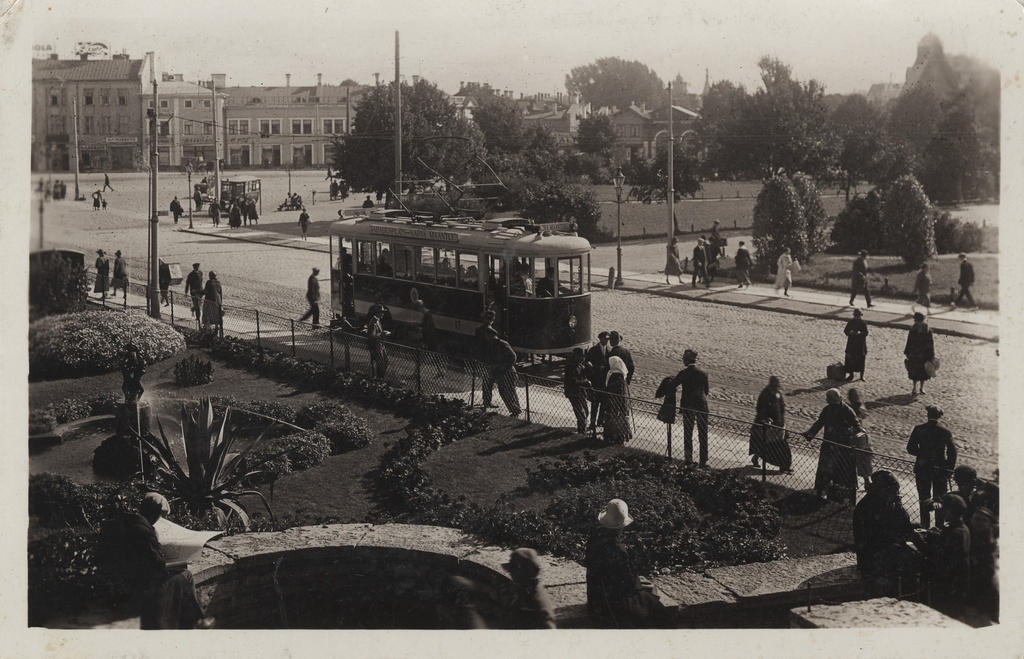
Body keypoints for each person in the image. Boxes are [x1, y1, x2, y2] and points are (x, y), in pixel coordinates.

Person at [97, 493, 212, 629]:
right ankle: (196, 621)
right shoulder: (145, 532)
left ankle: (190, 622)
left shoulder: (116, 523)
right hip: (140, 588)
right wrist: (177, 560)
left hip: (115, 584)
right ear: (157, 514)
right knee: (186, 575)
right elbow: (158, 566)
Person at [585, 499, 667, 628]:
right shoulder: (617, 548)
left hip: (596, 599)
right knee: (657, 609)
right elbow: (627, 584)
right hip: (612, 605)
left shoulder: (595, 538)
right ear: (622, 526)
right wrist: (639, 583)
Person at [852, 471, 920, 597]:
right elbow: (878, 538)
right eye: (894, 491)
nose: (897, 494)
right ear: (882, 490)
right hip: (871, 557)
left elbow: (905, 529)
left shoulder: (886, 503)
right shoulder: (867, 508)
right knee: (908, 568)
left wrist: (900, 510)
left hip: (884, 551)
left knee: (917, 561)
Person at [802, 388, 861, 502]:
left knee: (841, 472)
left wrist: (849, 432)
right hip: (828, 446)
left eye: (834, 400)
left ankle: (840, 495)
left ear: (840, 398)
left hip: (842, 449)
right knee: (824, 471)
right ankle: (820, 492)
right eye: (829, 400)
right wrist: (810, 433)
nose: (832, 403)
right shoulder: (827, 410)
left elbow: (858, 427)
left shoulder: (848, 411)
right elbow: (819, 423)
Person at [922, 493, 971, 619]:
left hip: (948, 580)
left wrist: (918, 540)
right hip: (960, 578)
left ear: (950, 511)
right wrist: (934, 535)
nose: (941, 511)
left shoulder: (951, 532)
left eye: (943, 508)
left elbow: (935, 554)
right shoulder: (962, 527)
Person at [907, 404, 957, 527]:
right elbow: (952, 452)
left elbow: (910, 448)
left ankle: (925, 525)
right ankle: (939, 525)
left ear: (928, 415)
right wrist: (949, 469)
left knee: (923, 497)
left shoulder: (919, 429)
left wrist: (923, 455)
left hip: (922, 468)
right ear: (939, 416)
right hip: (939, 469)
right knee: (939, 498)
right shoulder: (945, 431)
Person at [674, 349, 709, 466]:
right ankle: (703, 460)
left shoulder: (683, 373)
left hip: (688, 406)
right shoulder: (704, 372)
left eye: (684, 359)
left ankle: (688, 459)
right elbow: (706, 391)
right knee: (703, 433)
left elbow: (673, 384)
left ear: (687, 360)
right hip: (702, 405)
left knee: (688, 433)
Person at [750, 375, 791, 472]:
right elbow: (760, 410)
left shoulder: (778, 394)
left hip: (778, 425)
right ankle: (756, 458)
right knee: (765, 446)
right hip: (768, 426)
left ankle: (784, 466)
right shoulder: (765, 394)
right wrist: (765, 420)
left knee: (783, 447)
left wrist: (782, 422)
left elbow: (781, 408)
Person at [481, 328, 521, 417]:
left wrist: (503, 367)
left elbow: (513, 357)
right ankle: (486, 403)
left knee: (507, 391)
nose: (486, 337)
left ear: (492, 335)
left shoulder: (502, 344)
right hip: (496, 371)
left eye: (487, 335)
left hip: (507, 372)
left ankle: (515, 410)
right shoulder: (490, 344)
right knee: (490, 385)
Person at [602, 356, 632, 444]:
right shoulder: (621, 374)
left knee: (614, 420)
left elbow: (613, 389)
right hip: (620, 403)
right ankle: (618, 437)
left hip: (615, 403)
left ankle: (614, 437)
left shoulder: (615, 375)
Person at [848, 388, 873, 491]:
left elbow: (866, 422)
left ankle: (867, 481)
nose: (856, 397)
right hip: (854, 438)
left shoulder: (861, 407)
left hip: (863, 437)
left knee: (865, 459)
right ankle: (855, 483)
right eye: (854, 395)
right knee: (854, 461)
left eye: (857, 395)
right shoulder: (849, 408)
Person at [904, 312, 936, 395]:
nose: (916, 322)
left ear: (921, 321)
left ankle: (921, 388)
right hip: (914, 354)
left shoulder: (928, 331)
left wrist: (931, 355)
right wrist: (907, 351)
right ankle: (914, 387)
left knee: (923, 372)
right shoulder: (913, 329)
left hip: (924, 355)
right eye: (915, 321)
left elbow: (930, 343)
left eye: (917, 321)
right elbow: (909, 341)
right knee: (914, 371)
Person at [586, 331, 611, 431]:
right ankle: (592, 422)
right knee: (595, 402)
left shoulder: (609, 350)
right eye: (605, 339)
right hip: (596, 380)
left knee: (604, 402)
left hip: (605, 381)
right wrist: (596, 369)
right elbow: (588, 364)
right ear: (600, 339)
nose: (606, 341)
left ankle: (600, 420)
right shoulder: (593, 350)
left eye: (608, 339)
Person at [563, 347, 592, 434]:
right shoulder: (570, 367)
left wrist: (589, 368)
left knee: (585, 412)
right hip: (573, 393)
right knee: (581, 414)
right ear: (575, 356)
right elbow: (573, 381)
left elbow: (585, 375)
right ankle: (581, 432)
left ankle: (582, 430)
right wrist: (585, 382)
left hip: (581, 392)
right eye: (580, 356)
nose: (582, 358)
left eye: (583, 356)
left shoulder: (580, 365)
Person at [843, 308, 868, 381]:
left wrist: (860, 333)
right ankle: (851, 375)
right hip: (852, 344)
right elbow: (846, 331)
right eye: (856, 316)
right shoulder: (851, 322)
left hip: (860, 345)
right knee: (850, 360)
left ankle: (861, 375)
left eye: (858, 316)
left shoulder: (863, 323)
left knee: (861, 361)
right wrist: (850, 332)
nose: (857, 317)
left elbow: (866, 333)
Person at [366, 305, 390, 379]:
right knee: (381, 363)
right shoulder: (373, 322)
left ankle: (380, 378)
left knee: (385, 361)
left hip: (380, 346)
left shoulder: (378, 320)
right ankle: (379, 378)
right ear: (377, 313)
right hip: (376, 347)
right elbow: (371, 336)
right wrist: (382, 334)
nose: (383, 314)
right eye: (381, 312)